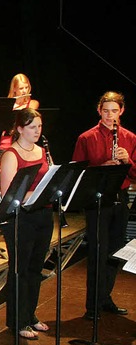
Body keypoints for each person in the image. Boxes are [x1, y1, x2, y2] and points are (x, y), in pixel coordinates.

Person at [72, 91, 136, 320]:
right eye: (106, 111)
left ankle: (105, 297)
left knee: (115, 253)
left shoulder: (130, 137)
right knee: (98, 252)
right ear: (99, 111)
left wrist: (127, 161)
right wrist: (103, 166)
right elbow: (77, 173)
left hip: (121, 197)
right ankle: (92, 306)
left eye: (115, 111)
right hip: (97, 198)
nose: (110, 116)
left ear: (122, 112)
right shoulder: (86, 137)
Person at [0, 108, 52, 340]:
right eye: (32, 127)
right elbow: (7, 193)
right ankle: (17, 320)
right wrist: (34, 193)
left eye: (39, 127)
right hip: (20, 219)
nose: (37, 131)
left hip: (43, 215)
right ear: (19, 128)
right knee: (20, 270)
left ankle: (30, 314)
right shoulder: (11, 154)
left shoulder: (42, 151)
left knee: (35, 268)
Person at [0, 73, 41, 154]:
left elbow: (28, 116)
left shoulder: (33, 103)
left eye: (26, 87)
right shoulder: (6, 104)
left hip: (23, 145)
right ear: (14, 89)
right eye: (21, 88)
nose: (24, 91)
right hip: (6, 144)